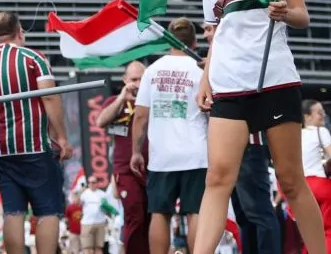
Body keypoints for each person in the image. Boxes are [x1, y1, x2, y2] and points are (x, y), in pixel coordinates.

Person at [195, 0, 327, 254]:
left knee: (291, 180)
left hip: (274, 79)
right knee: (217, 178)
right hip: (228, 84)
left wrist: (285, 12)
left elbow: (302, 16)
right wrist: (206, 78)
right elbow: (218, 31)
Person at [0, 10, 72, 254]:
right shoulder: (33, 59)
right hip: (34, 147)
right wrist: (61, 138)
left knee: (13, 211)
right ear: (20, 32)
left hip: (0, 151)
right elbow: (49, 97)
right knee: (47, 211)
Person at [202, 21, 281, 254]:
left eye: (209, 28)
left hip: (248, 143)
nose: (206, 33)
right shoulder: (217, 59)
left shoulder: (238, 52)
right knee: (245, 215)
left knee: (258, 212)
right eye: (205, 29)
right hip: (226, 147)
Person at [130, 18, 208, 254]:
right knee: (196, 212)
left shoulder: (152, 71)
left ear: (168, 42)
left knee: (160, 213)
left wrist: (136, 151)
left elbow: (141, 116)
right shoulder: (201, 69)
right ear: (194, 42)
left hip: (162, 155)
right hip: (196, 152)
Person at [95, 60, 149, 254]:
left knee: (152, 217)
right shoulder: (115, 102)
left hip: (154, 167)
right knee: (135, 216)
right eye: (134, 79)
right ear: (125, 80)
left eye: (142, 79)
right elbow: (101, 121)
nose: (138, 83)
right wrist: (121, 98)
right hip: (126, 169)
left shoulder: (154, 100)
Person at [301, 100, 331, 252]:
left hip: (302, 188)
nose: (324, 115)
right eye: (319, 112)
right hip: (321, 185)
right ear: (307, 116)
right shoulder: (321, 131)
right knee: (329, 230)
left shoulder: (295, 135)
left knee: (309, 232)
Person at [78, 176, 111, 254]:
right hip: (87, 223)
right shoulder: (84, 194)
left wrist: (106, 208)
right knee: (87, 248)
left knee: (99, 248)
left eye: (93, 182)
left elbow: (107, 209)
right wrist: (80, 192)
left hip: (100, 223)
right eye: (89, 182)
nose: (91, 184)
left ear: (97, 183)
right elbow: (76, 203)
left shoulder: (103, 194)